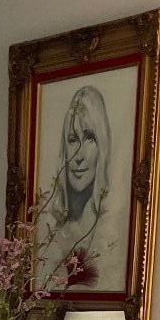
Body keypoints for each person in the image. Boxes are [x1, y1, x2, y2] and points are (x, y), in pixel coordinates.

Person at [37, 83, 114, 289]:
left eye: (90, 138)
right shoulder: (47, 233)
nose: (79, 156)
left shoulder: (109, 233)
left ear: (102, 148)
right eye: (72, 140)